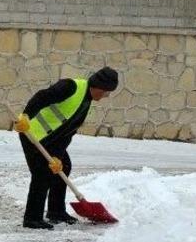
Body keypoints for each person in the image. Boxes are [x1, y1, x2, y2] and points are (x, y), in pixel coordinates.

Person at [15, 67, 119, 229]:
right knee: (42, 173)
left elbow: (68, 132)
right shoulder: (71, 87)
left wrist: (58, 155)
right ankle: (32, 219)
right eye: (106, 92)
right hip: (32, 133)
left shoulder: (86, 101)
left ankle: (56, 212)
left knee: (64, 165)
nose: (106, 96)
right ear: (99, 86)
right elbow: (42, 97)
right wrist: (26, 115)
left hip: (52, 139)